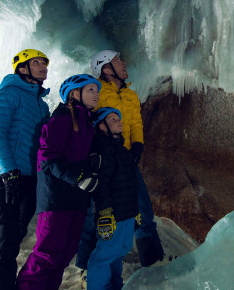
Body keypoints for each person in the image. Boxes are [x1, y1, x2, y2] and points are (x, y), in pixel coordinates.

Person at [75, 49, 168, 286]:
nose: (124, 63)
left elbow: (136, 123)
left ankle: (153, 260)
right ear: (106, 69)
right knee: (94, 213)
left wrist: (137, 145)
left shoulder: (130, 95)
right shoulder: (96, 93)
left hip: (125, 160)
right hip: (103, 161)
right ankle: (87, 266)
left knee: (143, 209)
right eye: (117, 61)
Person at [16, 74, 102, 290]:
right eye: (91, 90)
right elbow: (47, 159)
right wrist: (79, 177)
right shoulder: (61, 120)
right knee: (48, 253)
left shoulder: (87, 124)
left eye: (97, 90)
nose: (96, 94)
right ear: (75, 94)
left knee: (64, 255)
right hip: (56, 199)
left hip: (76, 199)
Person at [0, 49, 51, 290]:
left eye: (45, 63)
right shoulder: (6, 95)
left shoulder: (41, 104)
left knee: (12, 240)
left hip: (28, 178)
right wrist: (8, 173)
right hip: (3, 177)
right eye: (37, 63)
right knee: (4, 241)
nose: (43, 67)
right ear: (22, 68)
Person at [85, 107, 139, 289]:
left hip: (126, 214)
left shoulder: (122, 150)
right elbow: (102, 185)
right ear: (101, 126)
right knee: (103, 257)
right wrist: (105, 213)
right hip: (113, 214)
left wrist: (135, 211)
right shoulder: (102, 150)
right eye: (113, 118)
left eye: (119, 118)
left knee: (118, 253)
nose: (119, 121)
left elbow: (129, 185)